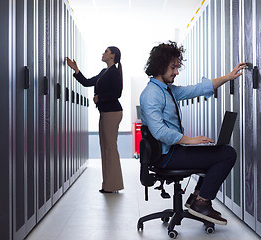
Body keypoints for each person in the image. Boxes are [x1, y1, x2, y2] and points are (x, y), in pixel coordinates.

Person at [140, 41, 246, 225]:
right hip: (167, 156)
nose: (176, 72)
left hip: (172, 151)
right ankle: (201, 202)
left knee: (216, 153)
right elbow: (158, 131)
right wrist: (189, 140)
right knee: (227, 154)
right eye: (173, 67)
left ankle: (196, 197)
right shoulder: (151, 94)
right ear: (160, 66)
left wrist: (228, 77)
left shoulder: (166, 90)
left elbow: (195, 89)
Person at [66, 46, 124, 193]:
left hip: (112, 112)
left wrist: (99, 98)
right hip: (105, 112)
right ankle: (108, 184)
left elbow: (117, 93)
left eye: (106, 51)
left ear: (113, 56)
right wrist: (76, 70)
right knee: (105, 148)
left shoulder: (114, 73)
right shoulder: (104, 72)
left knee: (110, 149)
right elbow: (87, 82)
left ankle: (113, 185)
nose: (103, 53)